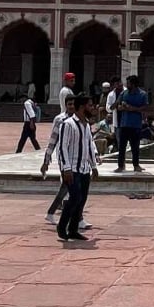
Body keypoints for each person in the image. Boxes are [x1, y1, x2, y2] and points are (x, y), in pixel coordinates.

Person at [55, 95, 99, 242]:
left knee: (82, 199)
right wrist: (66, 168)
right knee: (75, 197)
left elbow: (89, 147)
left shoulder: (86, 125)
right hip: (72, 168)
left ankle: (73, 229)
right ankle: (62, 227)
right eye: (90, 105)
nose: (92, 108)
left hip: (84, 168)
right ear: (82, 107)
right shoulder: (67, 124)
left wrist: (93, 166)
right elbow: (62, 147)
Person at [114, 75, 148, 173]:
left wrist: (133, 109)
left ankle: (136, 165)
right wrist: (121, 107)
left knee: (135, 147)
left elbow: (145, 107)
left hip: (136, 124)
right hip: (124, 124)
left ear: (133, 84)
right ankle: (120, 166)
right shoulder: (124, 93)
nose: (126, 85)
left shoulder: (142, 94)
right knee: (122, 146)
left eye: (128, 83)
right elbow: (117, 105)